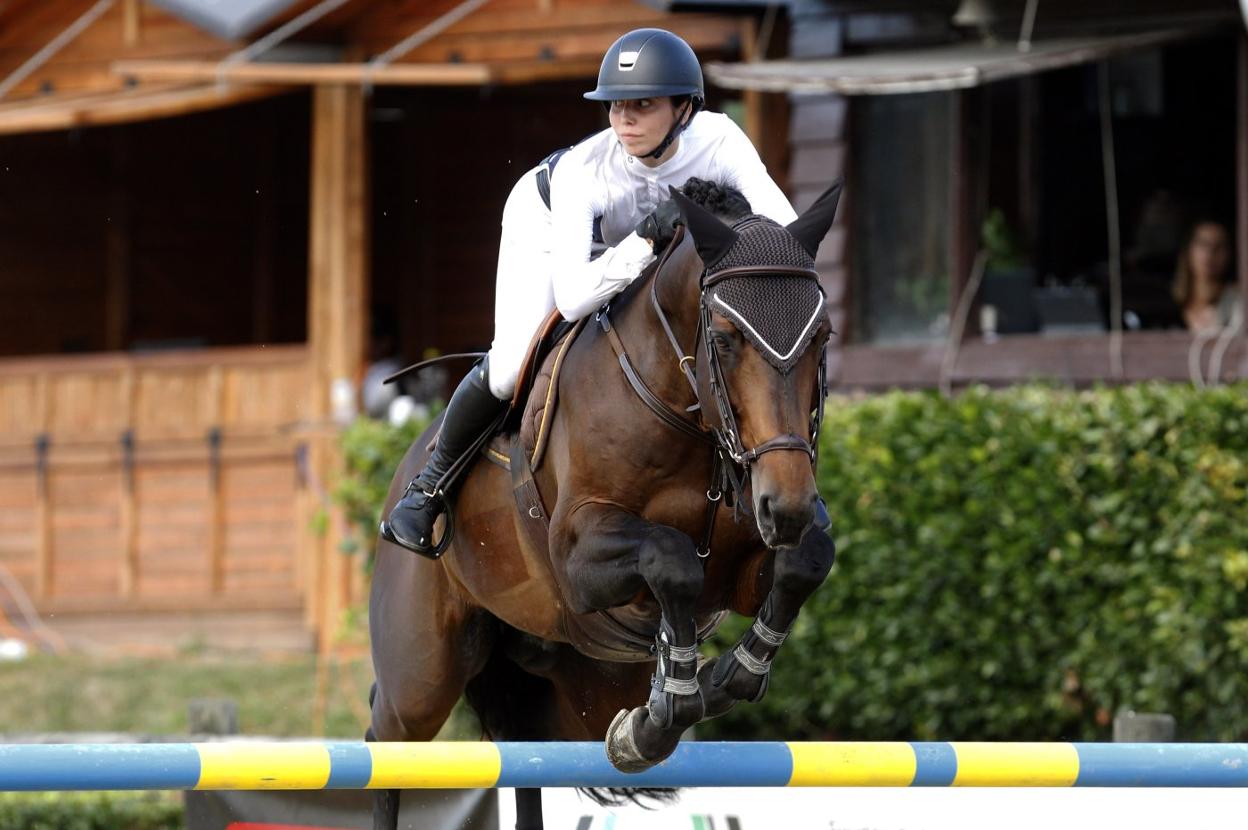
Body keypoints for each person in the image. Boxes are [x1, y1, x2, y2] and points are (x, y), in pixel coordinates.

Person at [381, 28, 797, 556]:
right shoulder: (583, 171)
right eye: (615, 105)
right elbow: (574, 298)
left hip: (633, 249)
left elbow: (783, 235)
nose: (623, 120)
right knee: (511, 364)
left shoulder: (722, 141)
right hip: (547, 225)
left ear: (685, 108)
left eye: (642, 105)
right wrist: (646, 239)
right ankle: (428, 490)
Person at [1172, 219, 1241, 333]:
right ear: (1189, 250)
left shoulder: (1238, 301)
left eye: (1220, 246)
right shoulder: (1169, 303)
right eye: (1203, 244)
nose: (1210, 253)